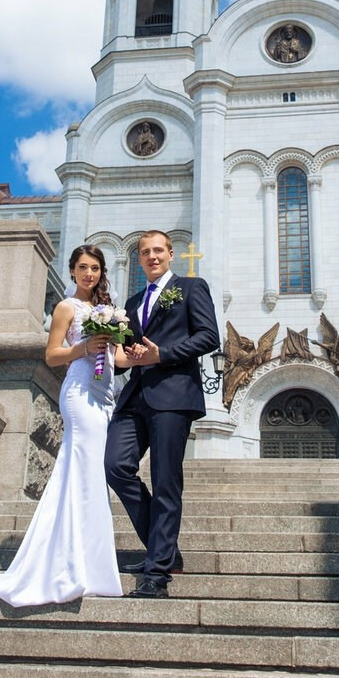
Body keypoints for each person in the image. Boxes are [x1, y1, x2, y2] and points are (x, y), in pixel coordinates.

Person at [0, 245, 128, 606]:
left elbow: (116, 356)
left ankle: (87, 562)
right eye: (82, 267)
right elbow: (52, 355)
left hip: (104, 396)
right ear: (72, 271)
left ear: (101, 272)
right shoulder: (66, 308)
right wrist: (85, 347)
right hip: (80, 393)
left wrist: (143, 357)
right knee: (80, 470)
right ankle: (67, 563)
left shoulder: (105, 311)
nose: (89, 274)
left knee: (90, 474)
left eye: (95, 268)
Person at [105, 230, 220, 598]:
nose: (152, 257)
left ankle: (157, 572)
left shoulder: (191, 288)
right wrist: (105, 350)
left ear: (171, 254)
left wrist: (162, 354)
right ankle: (165, 549)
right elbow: (126, 357)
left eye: (158, 250)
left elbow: (208, 337)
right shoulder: (133, 300)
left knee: (165, 480)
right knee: (116, 466)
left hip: (172, 395)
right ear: (139, 259)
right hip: (135, 396)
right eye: (145, 252)